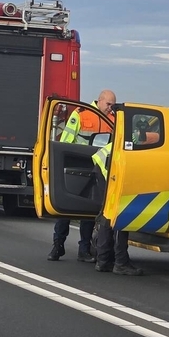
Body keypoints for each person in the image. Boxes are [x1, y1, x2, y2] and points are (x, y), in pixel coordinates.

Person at [48, 90, 116, 262]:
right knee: (66, 210)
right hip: (77, 166)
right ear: (99, 101)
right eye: (108, 104)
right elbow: (65, 142)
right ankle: (57, 246)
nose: (111, 108)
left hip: (98, 169)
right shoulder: (81, 114)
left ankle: (84, 250)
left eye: (112, 105)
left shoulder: (114, 119)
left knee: (89, 212)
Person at [92, 113, 141, 276]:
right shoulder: (137, 140)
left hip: (104, 169)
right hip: (111, 173)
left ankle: (103, 261)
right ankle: (120, 262)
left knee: (108, 215)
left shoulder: (129, 135)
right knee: (120, 215)